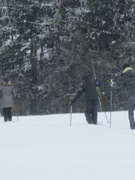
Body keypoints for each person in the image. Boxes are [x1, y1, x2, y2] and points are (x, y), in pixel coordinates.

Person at [111, 64, 135, 129]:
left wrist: (113, 84)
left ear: (124, 68)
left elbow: (118, 84)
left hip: (131, 95)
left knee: (131, 112)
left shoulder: (125, 75)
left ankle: (133, 126)